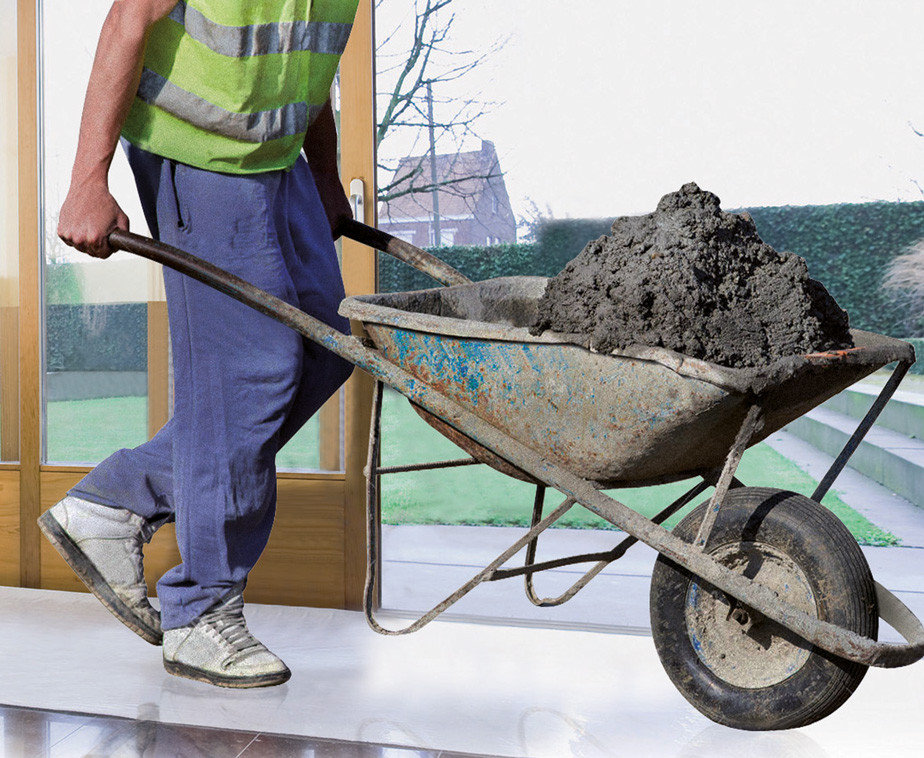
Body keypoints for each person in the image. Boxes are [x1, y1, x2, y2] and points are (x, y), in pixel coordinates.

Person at [37, 0, 360, 688]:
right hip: (196, 146)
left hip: (276, 156)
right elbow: (130, 18)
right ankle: (201, 610)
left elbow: (300, 60)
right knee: (247, 374)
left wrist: (325, 170)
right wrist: (86, 181)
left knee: (330, 347)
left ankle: (117, 497)